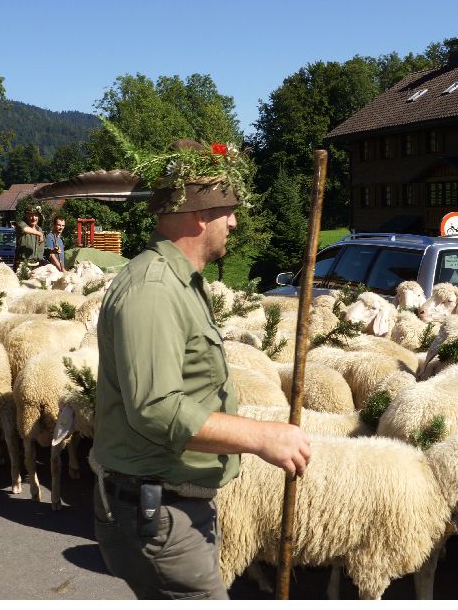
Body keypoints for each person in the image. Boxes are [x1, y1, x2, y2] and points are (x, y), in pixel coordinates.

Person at [90, 140, 311, 600]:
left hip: (173, 508)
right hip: (160, 515)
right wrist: (262, 436)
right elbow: (155, 408)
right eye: (226, 210)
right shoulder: (153, 290)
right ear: (197, 216)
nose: (233, 222)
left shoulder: (183, 283)